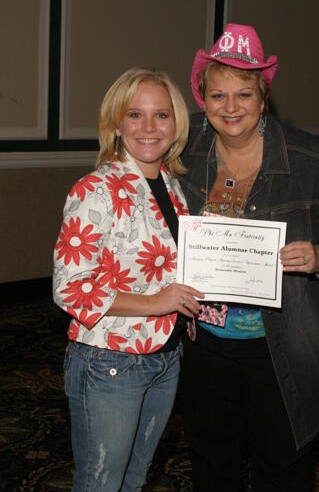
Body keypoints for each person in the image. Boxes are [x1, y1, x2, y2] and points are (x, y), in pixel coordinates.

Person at [179, 23, 319, 491]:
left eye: (244, 94)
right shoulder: (182, 154)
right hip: (202, 341)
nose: (231, 108)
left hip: (280, 340)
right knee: (211, 458)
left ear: (264, 96)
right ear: (203, 97)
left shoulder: (309, 159)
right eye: (218, 95)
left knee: (282, 464)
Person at [53, 67, 204, 491]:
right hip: (111, 361)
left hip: (165, 354)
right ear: (116, 125)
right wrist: (158, 302)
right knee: (101, 485)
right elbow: (69, 286)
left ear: (177, 124)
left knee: (134, 482)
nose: (149, 127)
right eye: (135, 115)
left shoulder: (173, 186)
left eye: (162, 115)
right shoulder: (95, 189)